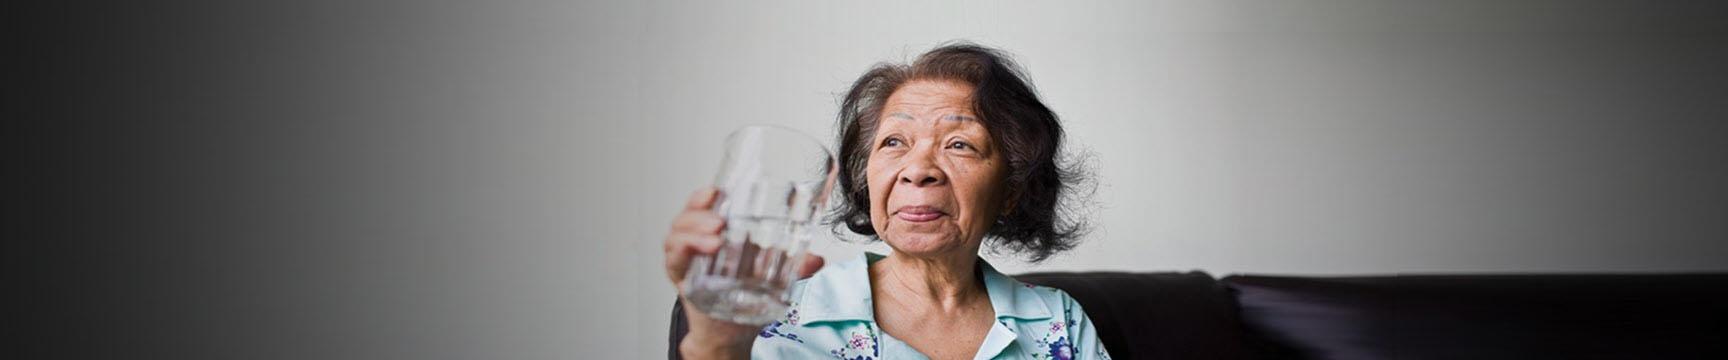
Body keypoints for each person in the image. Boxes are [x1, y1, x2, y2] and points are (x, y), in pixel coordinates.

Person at [664, 43, 1108, 360]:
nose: (918, 169)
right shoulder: (773, 311)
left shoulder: (1058, 321)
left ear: (1011, 191)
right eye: (894, 142)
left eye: (959, 145)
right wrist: (718, 348)